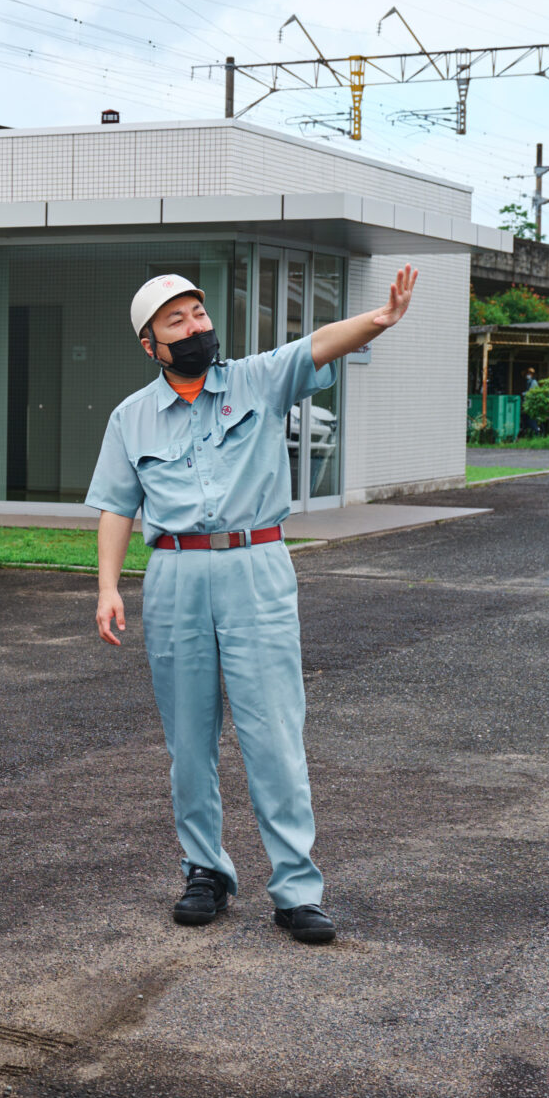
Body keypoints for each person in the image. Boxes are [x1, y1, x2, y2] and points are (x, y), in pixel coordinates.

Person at [89, 267, 418, 946]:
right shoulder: (130, 417)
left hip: (256, 565)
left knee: (272, 731)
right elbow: (117, 507)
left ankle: (297, 888)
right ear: (150, 343)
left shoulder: (255, 380)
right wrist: (107, 586)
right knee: (189, 738)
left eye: (198, 314)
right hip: (176, 572)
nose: (195, 327)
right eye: (175, 321)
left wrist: (379, 320)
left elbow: (317, 344)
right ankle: (204, 870)